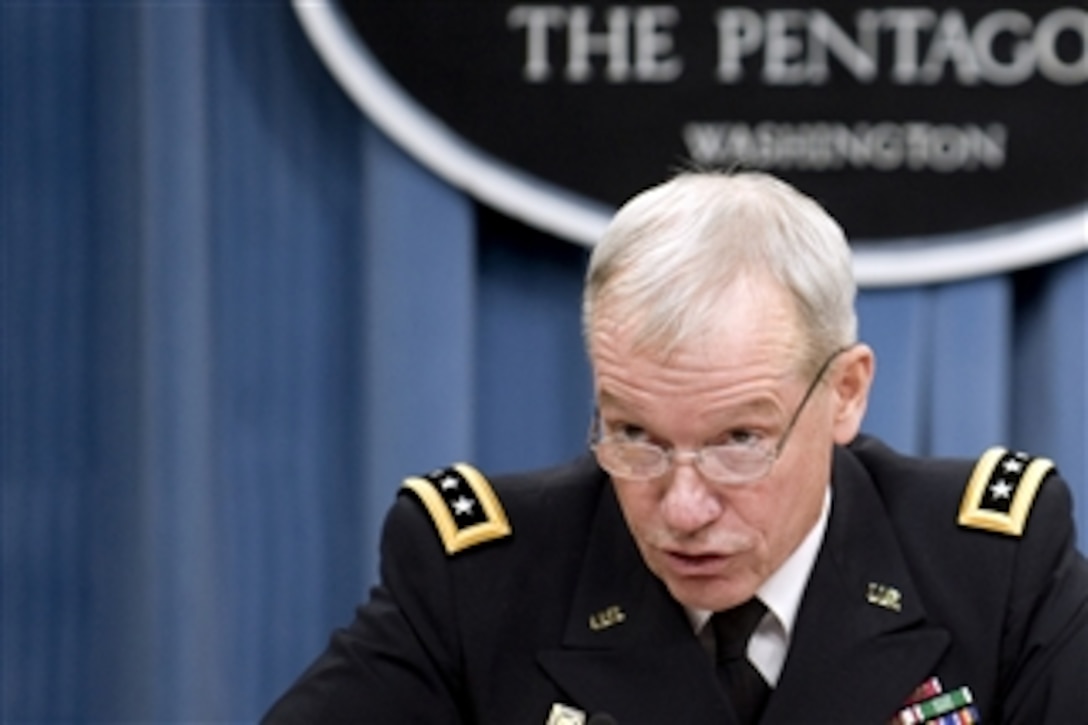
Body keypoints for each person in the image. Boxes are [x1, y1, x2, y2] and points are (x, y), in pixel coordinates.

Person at [264, 172, 1088, 724]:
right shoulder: (479, 579)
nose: (683, 507)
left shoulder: (991, 565)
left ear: (845, 393)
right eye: (635, 437)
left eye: (739, 440)